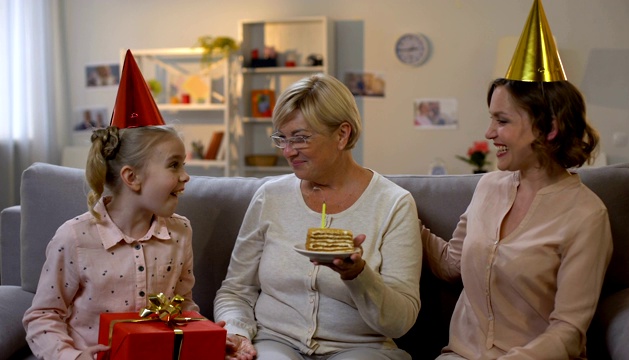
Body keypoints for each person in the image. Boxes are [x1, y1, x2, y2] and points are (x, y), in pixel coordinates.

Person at [421, 1, 613, 359]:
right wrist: (394, 210)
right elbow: (451, 264)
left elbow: (569, 331)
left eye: (502, 121)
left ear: (550, 128)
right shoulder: (488, 186)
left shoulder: (587, 216)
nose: (489, 132)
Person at [214, 73, 422, 360]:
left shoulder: (393, 204)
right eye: (282, 138)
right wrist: (236, 331)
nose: (287, 151)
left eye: (300, 138)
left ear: (342, 134)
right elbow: (236, 290)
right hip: (276, 342)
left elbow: (400, 322)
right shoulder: (270, 196)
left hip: (360, 349)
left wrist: (359, 276)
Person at [23, 50, 198, 360]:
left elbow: (182, 306)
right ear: (132, 177)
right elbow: (43, 316)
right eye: (174, 165)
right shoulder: (75, 238)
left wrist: (207, 336)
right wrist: (71, 357)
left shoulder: (181, 232)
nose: (185, 177)